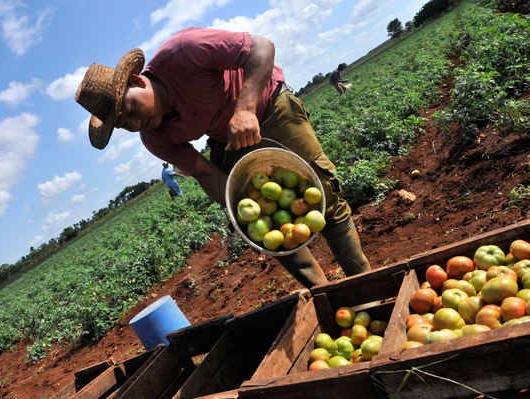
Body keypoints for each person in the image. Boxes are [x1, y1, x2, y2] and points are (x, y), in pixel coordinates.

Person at [75, 27, 371, 289]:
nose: (134, 123)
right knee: (261, 225)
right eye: (124, 125)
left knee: (324, 195)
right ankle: (324, 294)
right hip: (228, 137)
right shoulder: (155, 137)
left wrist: (245, 108)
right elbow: (205, 173)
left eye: (131, 111)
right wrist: (234, 206)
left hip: (268, 102)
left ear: (137, 82)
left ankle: (365, 286)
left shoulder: (183, 51)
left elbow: (262, 47)